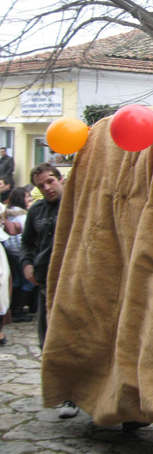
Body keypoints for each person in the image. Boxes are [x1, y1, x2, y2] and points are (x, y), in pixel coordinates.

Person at [19, 163, 78, 419]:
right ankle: (64, 394)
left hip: (73, 284)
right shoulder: (37, 211)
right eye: (41, 185)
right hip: (45, 284)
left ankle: (76, 395)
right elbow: (27, 243)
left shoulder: (77, 205)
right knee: (48, 342)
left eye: (50, 181)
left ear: (60, 179)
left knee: (74, 341)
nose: (47, 188)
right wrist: (27, 264)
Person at [4, 187, 36, 322]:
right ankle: (18, 311)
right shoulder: (23, 216)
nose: (29, 199)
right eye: (26, 196)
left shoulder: (9, 213)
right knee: (28, 283)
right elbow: (22, 239)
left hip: (10, 252)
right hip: (19, 253)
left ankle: (14, 308)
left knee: (16, 280)